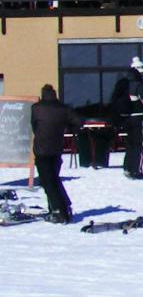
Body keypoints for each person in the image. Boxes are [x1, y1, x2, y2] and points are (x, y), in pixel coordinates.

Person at [31, 84, 82, 223]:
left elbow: (34, 126)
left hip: (42, 149)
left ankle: (59, 211)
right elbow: (78, 122)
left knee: (48, 182)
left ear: (43, 94)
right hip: (57, 148)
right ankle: (61, 206)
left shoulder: (36, 108)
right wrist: (68, 129)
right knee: (54, 179)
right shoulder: (63, 109)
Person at [112, 57, 143, 177]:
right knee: (139, 144)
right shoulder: (138, 85)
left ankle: (127, 167)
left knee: (130, 144)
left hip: (126, 118)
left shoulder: (124, 84)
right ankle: (136, 170)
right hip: (138, 117)